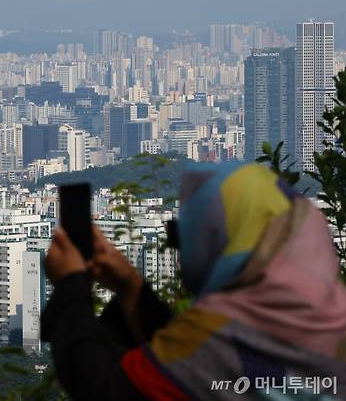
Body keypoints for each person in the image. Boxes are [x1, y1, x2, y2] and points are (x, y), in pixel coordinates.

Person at [41, 162, 346, 400]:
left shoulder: (226, 333)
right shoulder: (331, 316)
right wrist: (131, 288)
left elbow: (105, 388)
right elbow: (180, 363)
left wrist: (71, 285)